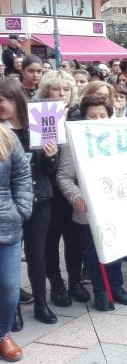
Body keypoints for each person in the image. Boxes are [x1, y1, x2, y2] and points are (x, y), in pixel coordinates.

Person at [56, 95, 127, 312]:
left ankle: (116, 286)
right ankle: (101, 290)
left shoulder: (119, 138)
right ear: (83, 117)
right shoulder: (74, 141)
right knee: (94, 251)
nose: (97, 119)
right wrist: (77, 197)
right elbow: (64, 176)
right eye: (92, 116)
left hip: (116, 204)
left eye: (102, 115)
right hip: (89, 208)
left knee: (117, 248)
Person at [0, 78, 59, 328]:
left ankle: (40, 303)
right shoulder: (1, 132)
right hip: (9, 208)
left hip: (40, 200)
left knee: (37, 256)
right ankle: (13, 310)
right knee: (10, 262)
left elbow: (49, 171)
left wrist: (52, 156)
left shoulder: (37, 124)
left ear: (15, 100)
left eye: (2, 100)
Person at [34, 71, 90, 308]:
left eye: (66, 89)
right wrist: (49, 157)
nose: (61, 94)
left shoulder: (78, 116)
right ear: (46, 91)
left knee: (75, 238)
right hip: (48, 191)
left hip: (73, 188)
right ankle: (56, 282)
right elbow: (38, 162)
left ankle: (75, 280)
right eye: (56, 89)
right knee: (51, 239)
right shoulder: (38, 115)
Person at [0, 122, 32, 362]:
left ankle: (2, 333)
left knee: (10, 287)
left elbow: (21, 174)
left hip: (6, 224)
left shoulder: (6, 136)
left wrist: (20, 210)